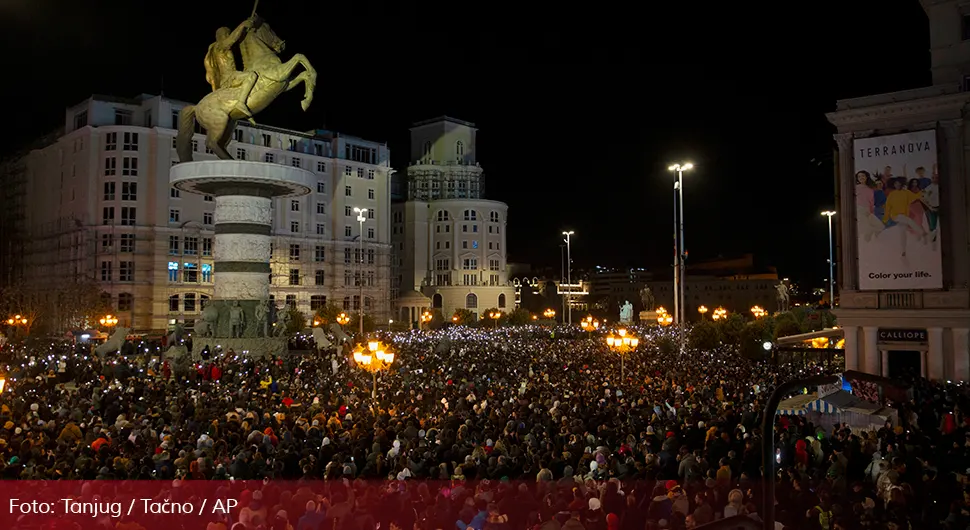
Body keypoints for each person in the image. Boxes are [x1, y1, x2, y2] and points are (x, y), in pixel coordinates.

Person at [205, 17, 259, 124]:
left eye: (229, 34)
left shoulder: (221, 47)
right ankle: (241, 103)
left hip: (232, 75)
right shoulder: (219, 46)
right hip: (229, 77)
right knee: (251, 76)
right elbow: (232, 40)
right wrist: (242, 24)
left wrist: (245, 30)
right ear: (220, 36)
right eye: (227, 34)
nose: (228, 36)